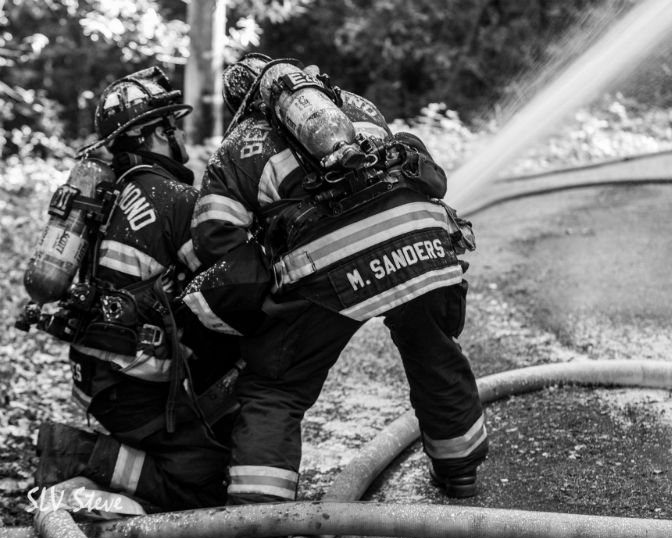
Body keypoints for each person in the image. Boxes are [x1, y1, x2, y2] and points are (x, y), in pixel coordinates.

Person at [185, 54, 489, 507]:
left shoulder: (240, 145)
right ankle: (459, 472)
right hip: (423, 246)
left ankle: (258, 516)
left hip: (326, 270)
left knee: (276, 388)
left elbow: (214, 237)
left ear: (241, 103)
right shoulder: (355, 106)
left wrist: (263, 267)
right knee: (434, 354)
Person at [28, 66, 241, 512]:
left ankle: (150, 449)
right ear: (151, 133)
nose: (177, 135)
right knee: (202, 485)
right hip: (132, 390)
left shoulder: (104, 197)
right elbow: (229, 286)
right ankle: (75, 455)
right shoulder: (174, 200)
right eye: (171, 126)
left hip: (96, 376)